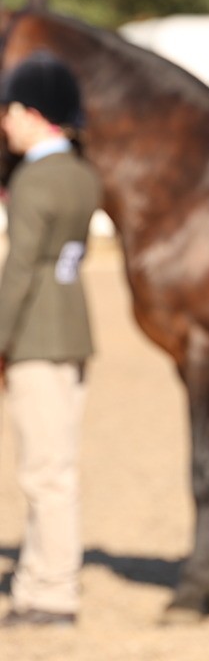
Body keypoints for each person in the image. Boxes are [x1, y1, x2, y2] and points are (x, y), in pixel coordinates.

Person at [0, 52, 101, 628]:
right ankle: (38, 580)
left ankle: (52, 590)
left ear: (36, 114)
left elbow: (18, 272)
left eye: (11, 110)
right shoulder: (83, 175)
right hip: (73, 330)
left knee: (45, 472)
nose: (5, 122)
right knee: (54, 465)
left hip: (37, 335)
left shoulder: (34, 179)